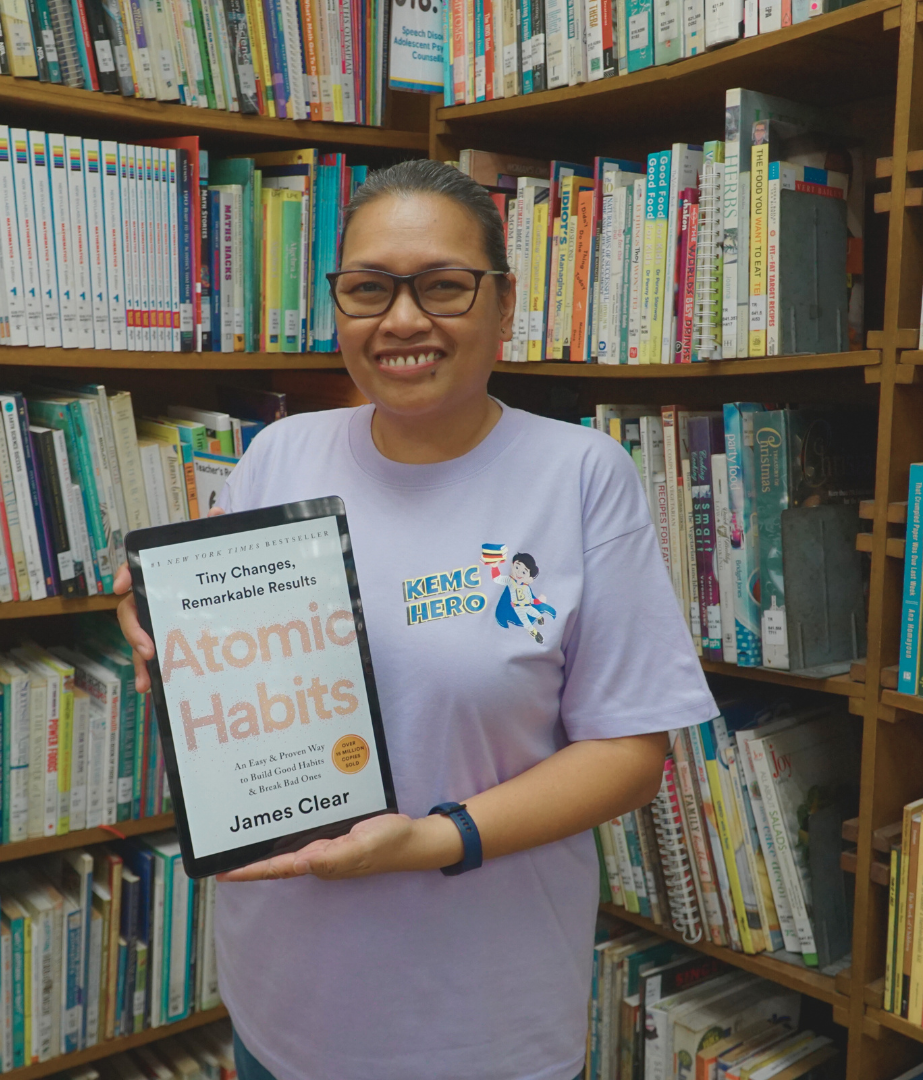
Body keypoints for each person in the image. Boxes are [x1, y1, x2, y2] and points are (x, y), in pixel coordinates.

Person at [114, 159, 718, 1080]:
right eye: (368, 289)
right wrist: (167, 632)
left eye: (442, 286)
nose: (402, 321)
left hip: (478, 1023)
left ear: (504, 303)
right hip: (282, 999)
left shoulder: (581, 474)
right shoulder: (280, 454)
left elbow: (630, 755)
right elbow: (233, 681)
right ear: (340, 305)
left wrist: (431, 840)